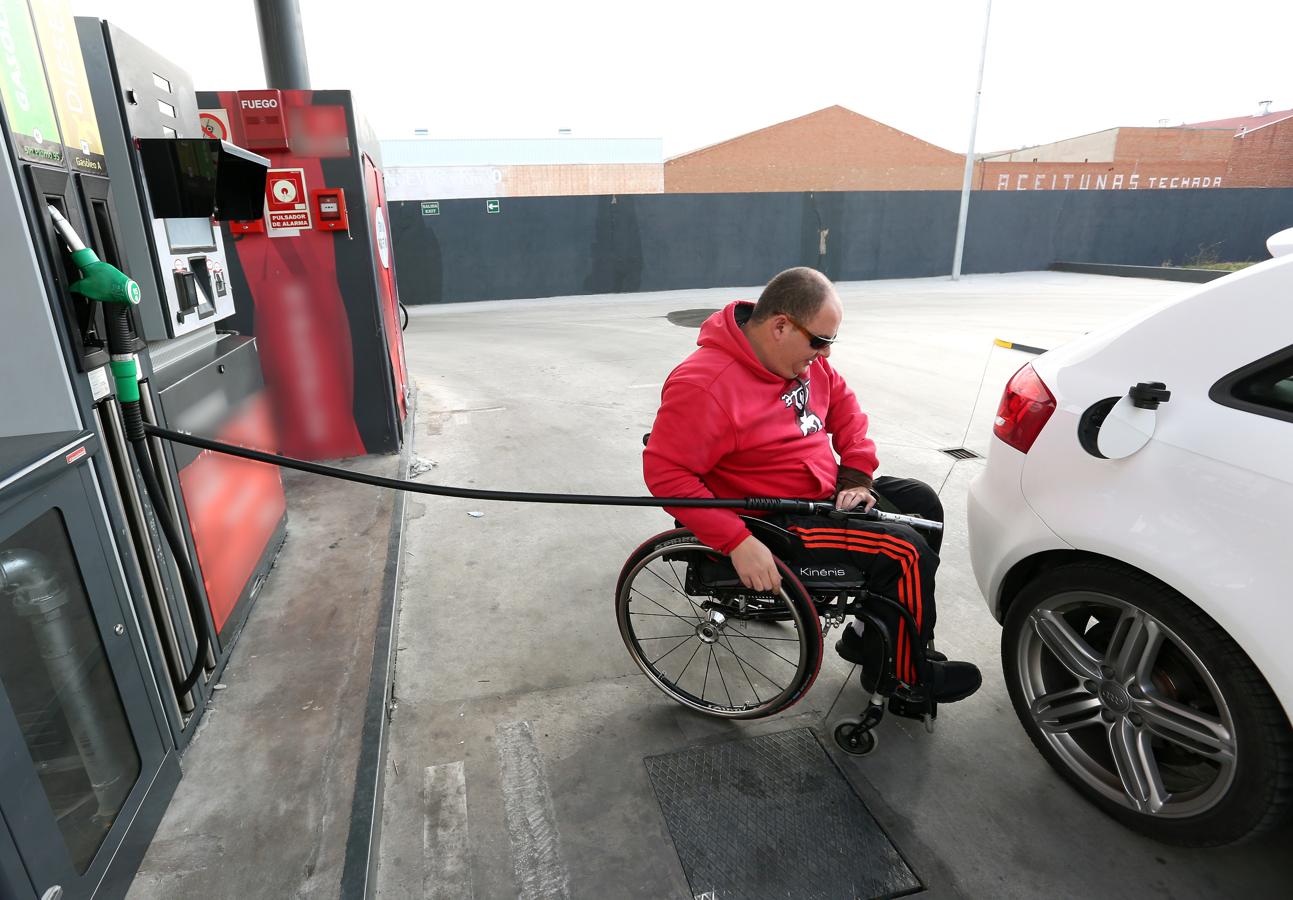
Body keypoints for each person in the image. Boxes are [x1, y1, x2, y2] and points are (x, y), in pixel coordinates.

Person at [643, 267, 981, 703]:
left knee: (921, 503)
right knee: (904, 551)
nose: (824, 355)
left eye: (830, 343)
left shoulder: (802, 361)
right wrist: (737, 542)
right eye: (819, 341)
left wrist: (857, 474)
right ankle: (902, 676)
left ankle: (871, 639)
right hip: (774, 519)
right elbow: (667, 475)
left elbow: (845, 407)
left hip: (821, 492)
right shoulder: (705, 386)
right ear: (780, 325)